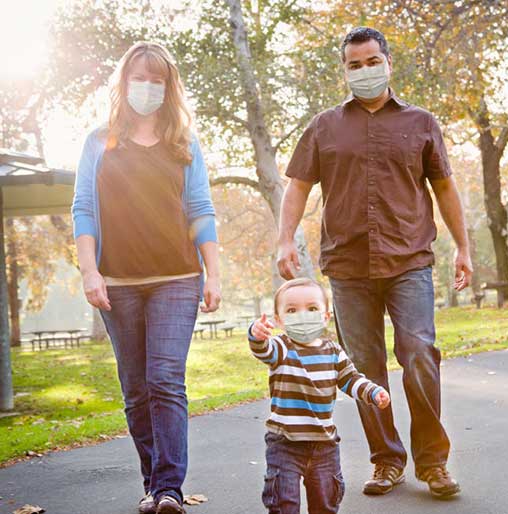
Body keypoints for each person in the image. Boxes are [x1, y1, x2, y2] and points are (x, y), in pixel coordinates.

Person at [276, 27, 472, 498]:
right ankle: (386, 461)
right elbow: (298, 185)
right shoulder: (325, 126)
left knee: (420, 355)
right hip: (347, 267)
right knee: (364, 369)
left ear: (387, 63)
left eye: (370, 62)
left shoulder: (421, 122)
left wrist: (464, 247)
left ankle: (433, 463)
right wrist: (285, 238)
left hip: (409, 261)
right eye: (353, 65)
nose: (363, 71)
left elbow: (444, 187)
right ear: (344, 70)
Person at [72, 41, 221, 514]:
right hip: (117, 282)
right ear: (123, 82)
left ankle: (170, 489)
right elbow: (83, 210)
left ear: (169, 87)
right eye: (140, 78)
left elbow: (200, 210)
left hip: (178, 277)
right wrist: (89, 270)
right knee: (136, 389)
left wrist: (213, 272)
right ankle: (153, 482)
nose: (148, 88)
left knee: (164, 378)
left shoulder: (184, 143)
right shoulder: (99, 142)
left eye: (158, 81)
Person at [248, 278, 390, 513]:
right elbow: (263, 350)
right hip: (285, 444)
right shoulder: (282, 347)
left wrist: (373, 392)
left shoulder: (333, 351)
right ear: (279, 320)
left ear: (325, 316)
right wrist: (256, 335)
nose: (303, 315)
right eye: (292, 310)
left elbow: (350, 379)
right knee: (284, 502)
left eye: (312, 308)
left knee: (326, 502)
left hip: (324, 444)